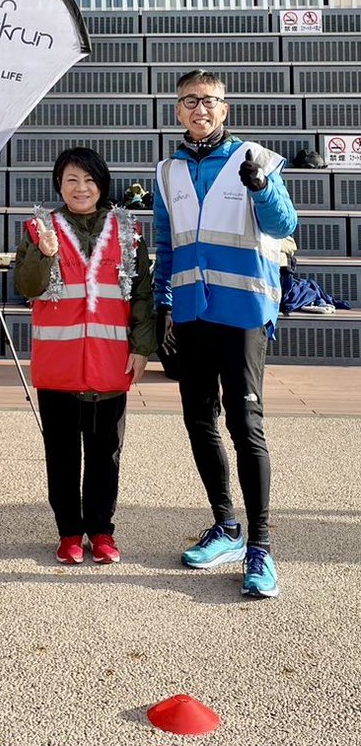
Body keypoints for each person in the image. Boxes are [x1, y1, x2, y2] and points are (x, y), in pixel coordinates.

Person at [154, 70, 298, 600]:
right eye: (190, 101)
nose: (200, 109)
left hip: (243, 312)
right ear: (177, 111)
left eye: (209, 101)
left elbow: (284, 225)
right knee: (199, 420)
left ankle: (260, 546)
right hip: (192, 313)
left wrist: (260, 188)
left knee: (245, 422)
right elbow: (166, 246)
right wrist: (164, 308)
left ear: (225, 108)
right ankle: (226, 527)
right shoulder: (167, 171)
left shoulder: (252, 158)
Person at [14, 147, 154, 566]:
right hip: (60, 363)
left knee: (106, 451)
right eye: (72, 180)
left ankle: (102, 530)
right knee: (61, 453)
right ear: (59, 184)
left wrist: (142, 347)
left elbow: (142, 294)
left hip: (110, 362)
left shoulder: (127, 230)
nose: (81, 188)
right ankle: (69, 532)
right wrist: (45, 252)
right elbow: (27, 287)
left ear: (102, 185)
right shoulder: (41, 228)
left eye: (89, 180)